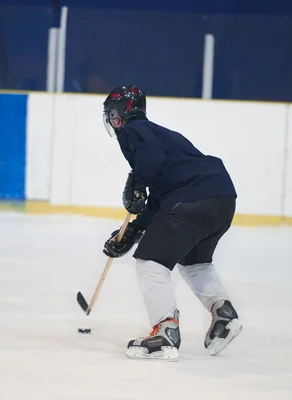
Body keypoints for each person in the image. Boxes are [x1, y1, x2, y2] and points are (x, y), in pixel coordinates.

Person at [102, 85, 242, 361]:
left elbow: (151, 164)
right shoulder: (162, 136)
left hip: (190, 200)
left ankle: (165, 333)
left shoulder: (134, 130)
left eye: (114, 116)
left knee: (150, 263)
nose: (113, 122)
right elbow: (162, 196)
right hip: (220, 199)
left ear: (122, 115)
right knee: (195, 262)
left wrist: (137, 182)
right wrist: (133, 229)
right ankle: (223, 315)